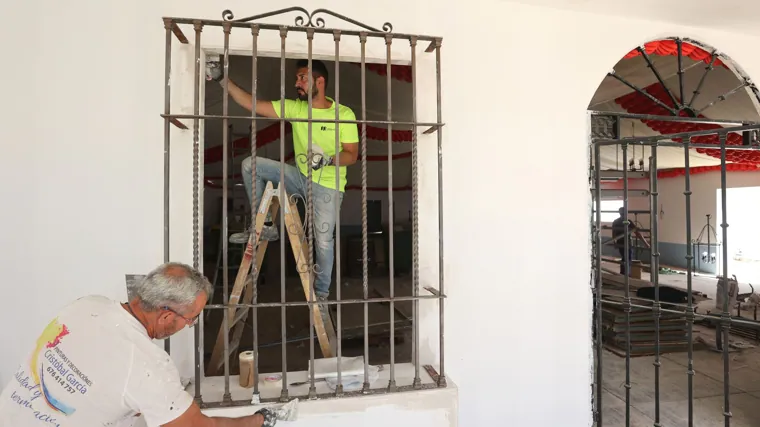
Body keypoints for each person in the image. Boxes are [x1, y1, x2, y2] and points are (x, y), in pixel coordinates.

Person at [0, 262, 276, 427]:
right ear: (167, 315)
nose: (188, 327)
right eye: (190, 320)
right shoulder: (148, 364)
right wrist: (257, 420)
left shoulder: (88, 304)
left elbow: (99, 365)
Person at [206, 59, 359, 301]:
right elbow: (252, 104)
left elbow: (352, 154)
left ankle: (321, 295)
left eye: (302, 78)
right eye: (297, 78)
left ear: (320, 81)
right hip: (299, 176)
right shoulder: (296, 109)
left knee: (324, 243)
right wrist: (222, 79)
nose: (297, 83)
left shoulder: (343, 114)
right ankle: (266, 225)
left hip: (328, 187)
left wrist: (328, 160)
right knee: (251, 165)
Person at [611, 207, 636, 276]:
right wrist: (646, 243)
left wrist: (614, 243)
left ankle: (623, 273)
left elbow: (613, 233)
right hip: (627, 243)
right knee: (628, 258)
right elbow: (637, 232)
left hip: (620, 243)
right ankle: (627, 274)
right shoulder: (628, 221)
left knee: (624, 258)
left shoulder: (615, 221)